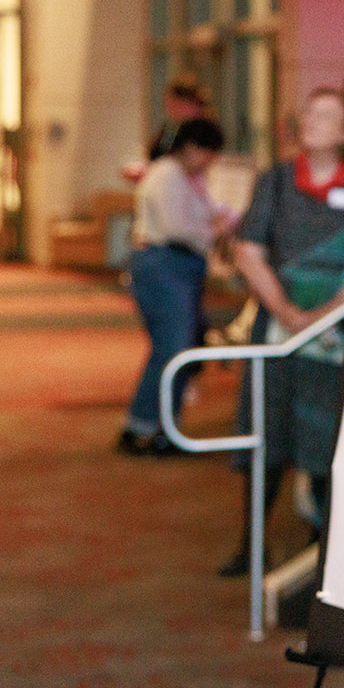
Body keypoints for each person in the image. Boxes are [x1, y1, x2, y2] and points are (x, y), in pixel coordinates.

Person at [219, 89, 344, 576]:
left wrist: (323, 313)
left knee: (328, 433)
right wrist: (286, 311)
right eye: (308, 110)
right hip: (277, 331)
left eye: (327, 114)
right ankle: (251, 543)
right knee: (267, 431)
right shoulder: (276, 182)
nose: (313, 121)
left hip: (337, 337)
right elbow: (249, 251)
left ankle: (322, 546)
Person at [119, 117, 230, 456]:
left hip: (177, 265)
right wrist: (215, 231)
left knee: (174, 348)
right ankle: (149, 427)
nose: (210, 162)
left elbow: (210, 212)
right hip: (164, 264)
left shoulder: (187, 177)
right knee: (173, 349)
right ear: (194, 148)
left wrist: (224, 221)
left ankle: (154, 426)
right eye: (209, 154)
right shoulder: (167, 174)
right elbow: (176, 227)